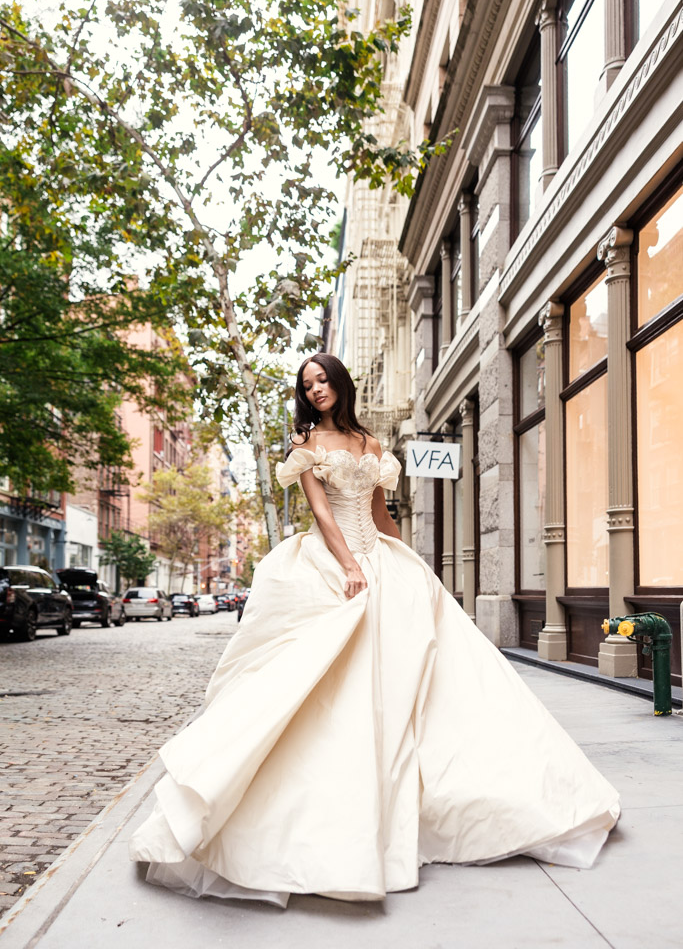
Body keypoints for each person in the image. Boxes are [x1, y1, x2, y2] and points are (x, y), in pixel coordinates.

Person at [129, 353, 619, 908]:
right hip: (334, 561)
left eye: (323, 380)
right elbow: (322, 513)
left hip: (381, 557)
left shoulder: (370, 443)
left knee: (422, 675)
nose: (315, 390)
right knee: (328, 681)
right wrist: (351, 566)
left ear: (341, 384)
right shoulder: (304, 446)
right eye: (307, 384)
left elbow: (381, 514)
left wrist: (409, 562)